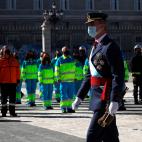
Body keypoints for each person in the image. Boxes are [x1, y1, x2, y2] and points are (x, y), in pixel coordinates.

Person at [72, 12, 124, 142]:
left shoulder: (110, 46)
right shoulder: (95, 46)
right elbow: (90, 76)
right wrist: (79, 96)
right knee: (110, 137)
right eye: (88, 24)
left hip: (104, 98)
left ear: (102, 24)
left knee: (92, 136)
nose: (90, 27)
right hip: (96, 96)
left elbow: (117, 75)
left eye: (92, 24)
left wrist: (114, 100)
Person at [0, 46, 20, 117]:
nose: (6, 55)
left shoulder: (15, 61)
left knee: (12, 98)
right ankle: (3, 112)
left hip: (12, 82)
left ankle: (12, 112)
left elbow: (18, 71)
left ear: (9, 53)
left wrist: (18, 79)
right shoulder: (1, 61)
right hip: (3, 82)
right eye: (5, 53)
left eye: (7, 53)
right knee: (4, 98)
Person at [55, 46, 76, 113]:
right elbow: (56, 70)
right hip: (63, 81)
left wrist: (75, 77)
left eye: (67, 50)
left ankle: (69, 108)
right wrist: (58, 78)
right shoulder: (59, 60)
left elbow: (75, 69)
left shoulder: (71, 59)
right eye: (65, 50)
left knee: (70, 95)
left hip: (71, 81)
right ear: (62, 52)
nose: (66, 51)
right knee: (63, 95)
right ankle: (63, 108)